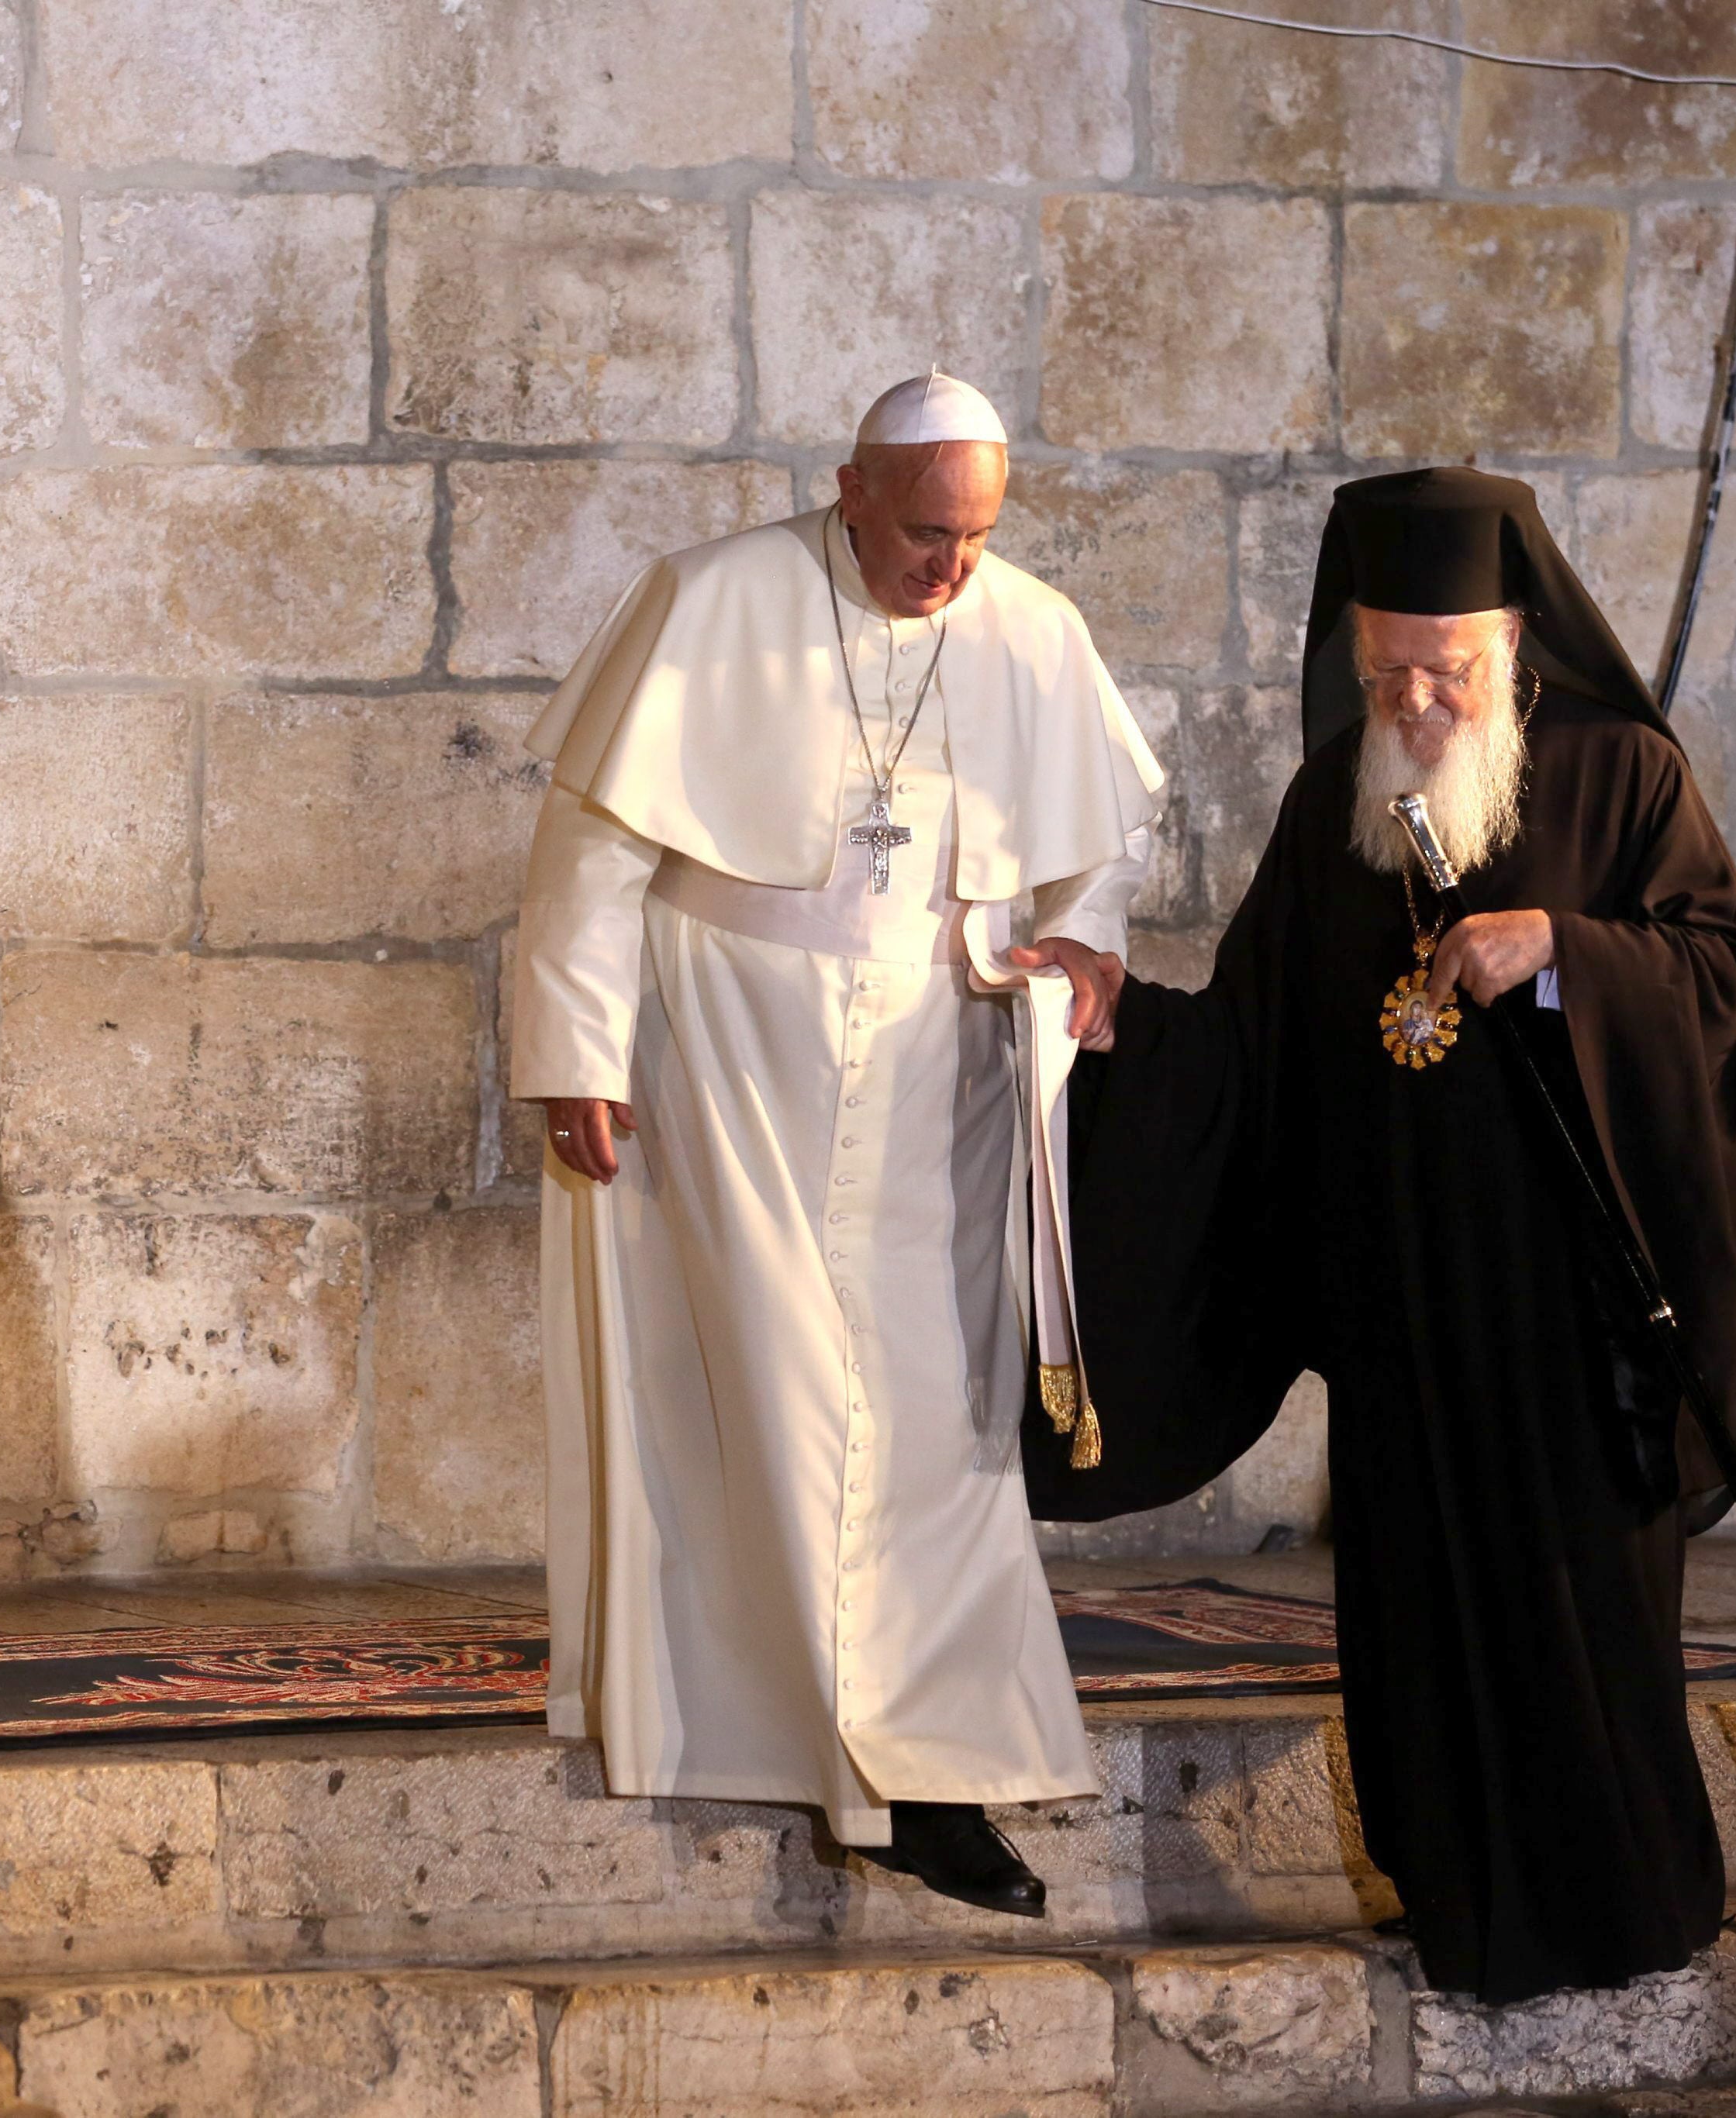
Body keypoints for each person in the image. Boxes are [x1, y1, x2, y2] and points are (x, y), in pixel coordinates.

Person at [1035, 467, 1736, 2002]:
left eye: (1448, 671)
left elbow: (1717, 972)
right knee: (1420, 1636)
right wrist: (1122, 1028)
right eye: (1388, 672)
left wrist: (1568, 949)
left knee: (1577, 1629)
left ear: (1510, 643)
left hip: (1571, 1316)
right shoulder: (1334, 805)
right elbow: (1253, 1039)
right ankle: (1457, 1908)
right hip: (1401, 1311)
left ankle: (1617, 1918)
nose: (1419, 701)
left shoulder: (1620, 774)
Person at [510, 371, 1164, 1915]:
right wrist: (572, 1050)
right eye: (927, 532)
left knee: (937, 1419)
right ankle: (846, 1763)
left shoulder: (1029, 631)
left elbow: (1091, 858)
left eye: (978, 535)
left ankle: (920, 1759)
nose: (952, 567)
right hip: (733, 1053)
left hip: (945, 1063)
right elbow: (594, 847)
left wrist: (1080, 946)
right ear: (850, 487)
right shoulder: (712, 596)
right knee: (775, 1396)